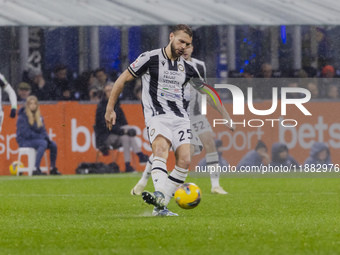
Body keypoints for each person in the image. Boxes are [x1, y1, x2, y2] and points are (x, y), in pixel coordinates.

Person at [105, 24, 234, 216]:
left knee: (184, 160)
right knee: (160, 150)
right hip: (157, 116)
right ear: (171, 36)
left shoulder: (188, 68)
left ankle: (160, 204)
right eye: (181, 41)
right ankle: (159, 194)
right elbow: (123, 79)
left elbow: (207, 92)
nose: (183, 46)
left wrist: (225, 115)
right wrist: (110, 108)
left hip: (181, 118)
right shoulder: (150, 58)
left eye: (187, 44)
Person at [131, 44, 229, 195]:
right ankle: (144, 181)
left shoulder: (198, 66)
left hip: (195, 114)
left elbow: (203, 89)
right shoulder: (169, 65)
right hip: (177, 114)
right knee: (165, 149)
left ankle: (215, 185)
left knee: (209, 142)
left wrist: (221, 112)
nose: (185, 50)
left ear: (192, 49)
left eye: (188, 46)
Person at [95, 83, 149, 172]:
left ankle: (128, 165)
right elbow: (106, 125)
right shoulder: (102, 107)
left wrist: (124, 130)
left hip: (117, 135)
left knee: (126, 137)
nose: (109, 92)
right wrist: (122, 130)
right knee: (126, 135)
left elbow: (124, 122)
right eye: (107, 91)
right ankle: (140, 156)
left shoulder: (117, 105)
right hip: (105, 137)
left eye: (110, 90)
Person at [16, 95, 61, 175]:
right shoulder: (22, 117)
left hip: (35, 140)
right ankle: (36, 168)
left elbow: (43, 130)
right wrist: (42, 138)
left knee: (53, 145)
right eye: (31, 104)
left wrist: (46, 138)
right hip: (24, 141)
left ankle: (52, 168)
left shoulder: (39, 117)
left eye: (35, 104)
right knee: (42, 143)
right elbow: (26, 133)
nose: (33, 106)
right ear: (27, 105)